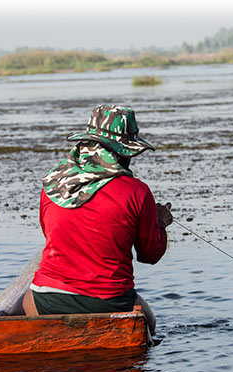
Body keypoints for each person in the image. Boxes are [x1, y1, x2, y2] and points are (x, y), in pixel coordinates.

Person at [22, 105, 172, 336]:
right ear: (120, 153)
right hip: (109, 302)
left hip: (47, 300)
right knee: (149, 323)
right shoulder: (137, 192)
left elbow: (52, 235)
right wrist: (160, 222)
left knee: (27, 301)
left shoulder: (52, 185)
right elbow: (149, 255)